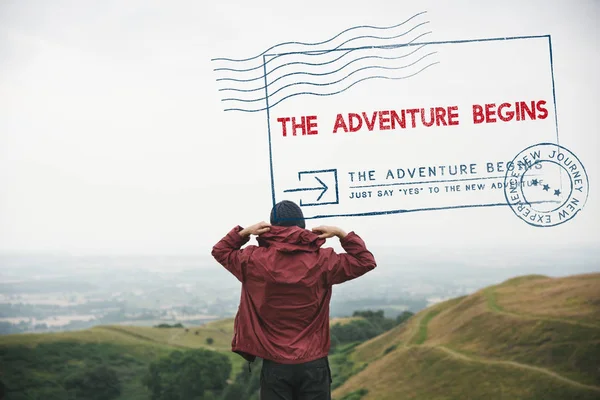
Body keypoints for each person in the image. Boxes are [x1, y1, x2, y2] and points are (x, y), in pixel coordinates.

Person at [211, 199, 377, 400]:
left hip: (275, 364)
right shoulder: (323, 260)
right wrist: (341, 234)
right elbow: (365, 261)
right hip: (314, 363)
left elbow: (220, 250)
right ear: (302, 225)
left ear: (270, 227)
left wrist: (245, 232)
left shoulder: (252, 260)